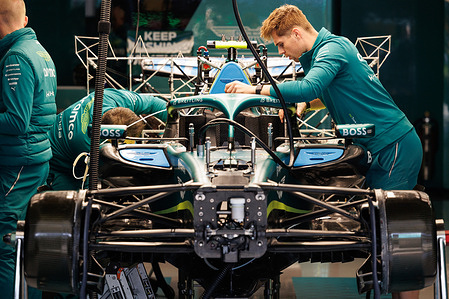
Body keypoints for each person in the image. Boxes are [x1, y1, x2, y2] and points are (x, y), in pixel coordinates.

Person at [225, 5, 422, 299]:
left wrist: (254, 89)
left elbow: (308, 86)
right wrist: (307, 103)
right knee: (382, 237)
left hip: (393, 147)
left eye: (280, 44)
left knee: (394, 243)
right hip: (380, 148)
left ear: (295, 33)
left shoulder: (332, 49)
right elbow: (324, 91)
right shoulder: (325, 53)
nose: (280, 52)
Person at [0, 0, 57, 298]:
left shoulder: (16, 58)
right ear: (24, 19)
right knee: (25, 243)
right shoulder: (39, 51)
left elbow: (16, 120)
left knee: (6, 244)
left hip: (18, 166)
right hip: (33, 162)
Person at [48, 88, 167, 191]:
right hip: (57, 162)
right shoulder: (88, 142)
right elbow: (103, 172)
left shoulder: (112, 98)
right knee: (71, 207)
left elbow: (154, 103)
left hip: (71, 143)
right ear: (109, 136)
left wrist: (178, 119)